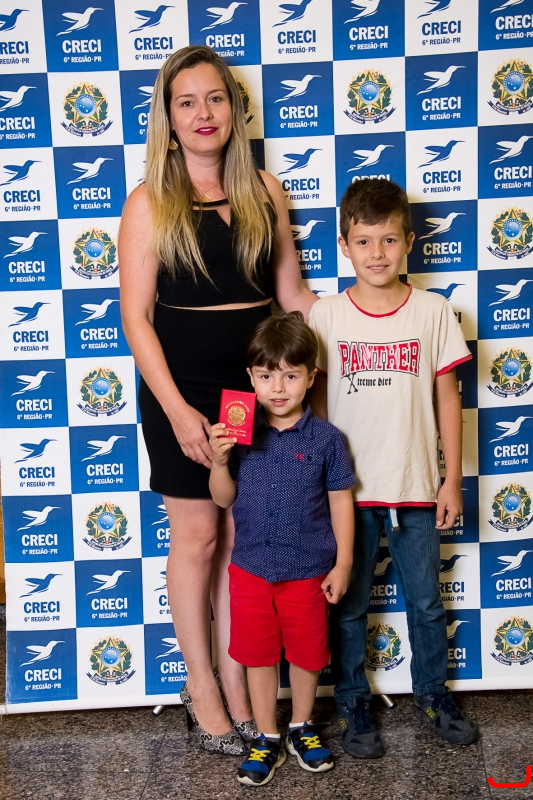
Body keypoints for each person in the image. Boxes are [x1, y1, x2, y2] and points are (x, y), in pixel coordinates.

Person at [118, 45, 317, 755]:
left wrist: (367, 325)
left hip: (257, 388)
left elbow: (291, 295)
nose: (204, 113)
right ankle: (201, 691)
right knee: (199, 537)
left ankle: (239, 688)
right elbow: (136, 319)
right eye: (187, 102)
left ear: (234, 109)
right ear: (168, 120)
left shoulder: (265, 188)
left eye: (215, 98)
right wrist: (177, 411)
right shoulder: (149, 201)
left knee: (241, 542)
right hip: (184, 392)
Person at [308, 179, 479, 759]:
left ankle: (433, 695)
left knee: (426, 603)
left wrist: (450, 479)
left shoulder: (433, 311)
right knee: (349, 605)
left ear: (408, 242)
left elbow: (448, 396)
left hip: (415, 485)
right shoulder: (327, 314)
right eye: (363, 241)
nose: (376, 253)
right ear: (344, 246)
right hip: (347, 493)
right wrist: (320, 477)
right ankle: (352, 702)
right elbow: (317, 400)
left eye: (388, 240)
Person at [209, 312, 356, 787]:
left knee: (308, 655)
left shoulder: (327, 440)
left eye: (291, 376)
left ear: (310, 377)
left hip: (308, 570)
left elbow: (341, 501)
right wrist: (218, 462)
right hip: (251, 569)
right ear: (250, 378)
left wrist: (344, 563)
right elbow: (223, 499)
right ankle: (266, 735)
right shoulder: (240, 436)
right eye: (266, 375)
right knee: (257, 655)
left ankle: (301, 727)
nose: (278, 387)